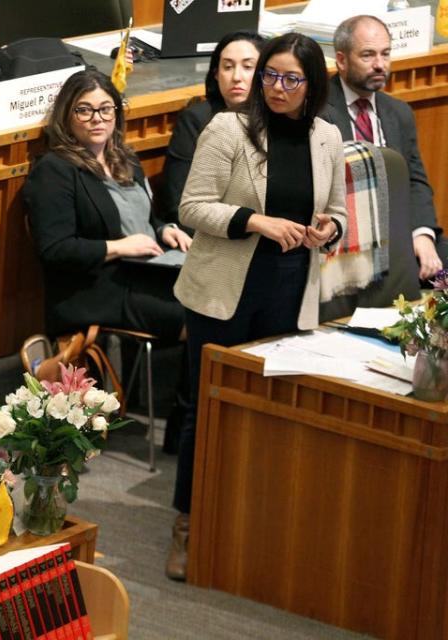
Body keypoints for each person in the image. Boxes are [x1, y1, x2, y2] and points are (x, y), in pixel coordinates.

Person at [167, 33, 348, 581]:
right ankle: (188, 524)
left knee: (268, 406)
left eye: (292, 79)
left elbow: (337, 210)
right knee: (208, 407)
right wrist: (254, 220)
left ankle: (249, 521)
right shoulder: (229, 128)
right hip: (225, 288)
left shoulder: (328, 137)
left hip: (291, 286)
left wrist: (329, 227)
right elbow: (192, 206)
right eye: (271, 75)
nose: (276, 88)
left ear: (313, 85)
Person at [22, 68, 191, 423]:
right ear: (67, 115)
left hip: (144, 270)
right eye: (84, 110)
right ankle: (186, 420)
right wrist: (118, 247)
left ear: (117, 112)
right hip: (94, 287)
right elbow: (55, 250)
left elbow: (144, 218)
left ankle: (189, 414)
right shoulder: (54, 170)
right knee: (199, 316)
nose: (96, 118)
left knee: (223, 296)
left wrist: (165, 230)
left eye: (106, 109)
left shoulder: (123, 158)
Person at [323, 14, 448, 280]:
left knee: (442, 268)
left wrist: (422, 234)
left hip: (398, 231)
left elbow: (415, 180)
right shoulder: (318, 111)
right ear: (342, 60)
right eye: (368, 55)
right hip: (346, 238)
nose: (380, 65)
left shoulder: (398, 112)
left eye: (386, 54)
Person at [162, 31, 265, 226]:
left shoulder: (277, 117)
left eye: (248, 67)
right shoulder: (196, 121)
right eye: (227, 67)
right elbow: (177, 203)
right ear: (216, 74)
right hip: (213, 234)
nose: (236, 77)